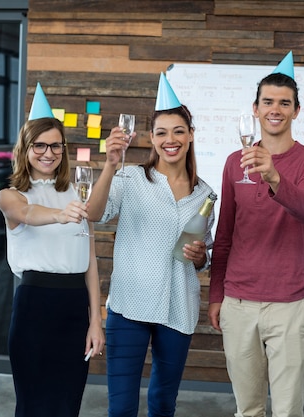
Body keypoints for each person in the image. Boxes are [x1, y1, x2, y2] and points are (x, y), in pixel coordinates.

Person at [87, 73, 215, 417]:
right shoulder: (129, 179)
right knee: (122, 406)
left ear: (190, 136)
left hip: (179, 308)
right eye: (161, 132)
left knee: (163, 402)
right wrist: (110, 165)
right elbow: (95, 214)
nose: (170, 139)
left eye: (178, 131)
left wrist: (202, 256)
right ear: (151, 138)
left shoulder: (205, 194)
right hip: (128, 306)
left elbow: (207, 257)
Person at [208, 51, 304, 417]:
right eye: (268, 102)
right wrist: (216, 295)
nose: (275, 109)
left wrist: (273, 175)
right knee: (248, 409)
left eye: (284, 103)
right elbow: (225, 232)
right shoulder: (234, 162)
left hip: (289, 305)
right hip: (238, 303)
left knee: (288, 411)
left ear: (296, 111)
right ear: (255, 109)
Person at [0, 83, 104, 417]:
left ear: (64, 149)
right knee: (32, 405)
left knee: (67, 406)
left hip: (74, 309)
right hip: (34, 306)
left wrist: (96, 320)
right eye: (39, 145)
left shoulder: (77, 192)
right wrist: (60, 214)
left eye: (55, 146)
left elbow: (90, 262)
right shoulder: (9, 194)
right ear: (25, 149)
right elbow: (26, 214)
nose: (48, 153)